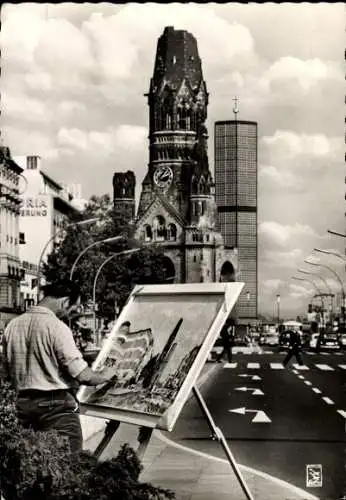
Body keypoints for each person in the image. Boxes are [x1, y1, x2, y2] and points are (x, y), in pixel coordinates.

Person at [1, 280, 116, 454]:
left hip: (22, 407)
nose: (69, 314)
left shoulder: (12, 326)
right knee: (68, 465)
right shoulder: (57, 327)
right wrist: (106, 374)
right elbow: (83, 375)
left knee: (33, 466)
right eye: (72, 309)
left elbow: (5, 372)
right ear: (64, 301)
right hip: (55, 409)